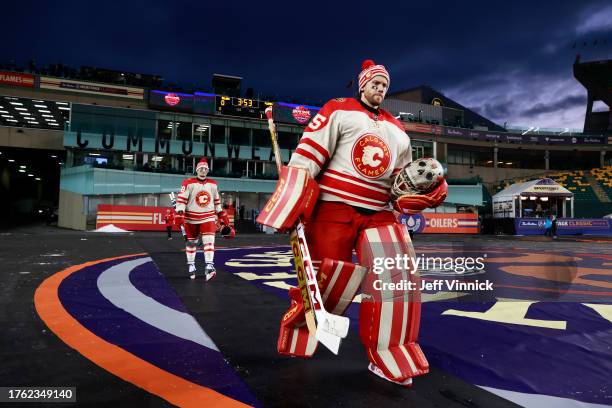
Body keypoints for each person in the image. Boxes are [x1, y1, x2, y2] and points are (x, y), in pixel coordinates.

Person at [257, 60, 447, 386]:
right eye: (375, 84)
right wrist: (291, 201)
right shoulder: (338, 109)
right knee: (331, 282)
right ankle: (302, 327)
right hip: (334, 207)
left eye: (385, 86)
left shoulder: (397, 130)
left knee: (396, 274)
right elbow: (309, 154)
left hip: (379, 210)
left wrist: (425, 191)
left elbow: (400, 183)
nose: (380, 89)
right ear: (363, 84)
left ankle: (390, 351)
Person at [174, 158, 231, 281]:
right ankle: (191, 265)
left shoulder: (213, 184)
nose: (203, 170)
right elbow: (181, 199)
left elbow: (216, 201)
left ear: (208, 170)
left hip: (208, 216)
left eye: (205, 169)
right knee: (191, 243)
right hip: (191, 217)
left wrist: (221, 213)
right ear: (197, 170)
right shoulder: (187, 183)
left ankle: (209, 266)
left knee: (209, 240)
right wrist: (179, 213)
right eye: (201, 168)